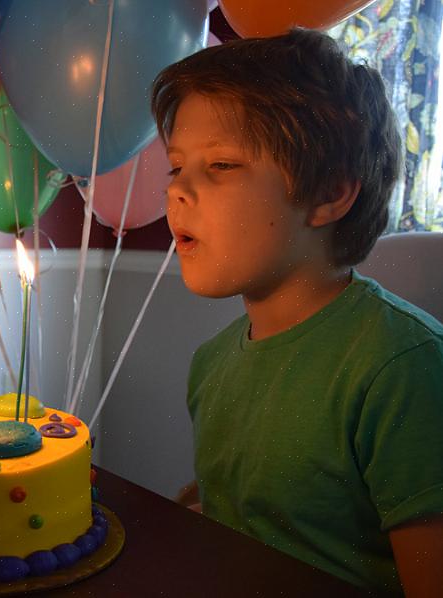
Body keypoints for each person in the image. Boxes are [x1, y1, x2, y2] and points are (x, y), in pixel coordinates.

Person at [150, 28, 443, 596]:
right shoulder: (211, 364)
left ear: (331, 192)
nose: (177, 191)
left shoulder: (402, 369)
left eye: (222, 166)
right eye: (176, 167)